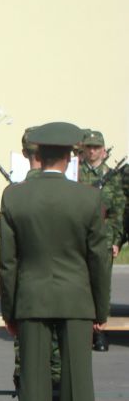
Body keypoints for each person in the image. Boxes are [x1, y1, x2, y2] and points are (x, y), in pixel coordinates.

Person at [0, 122, 111, 401]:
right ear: (69, 156)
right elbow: (99, 258)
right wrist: (101, 308)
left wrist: (9, 309)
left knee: (34, 382)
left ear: (37, 154)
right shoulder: (88, 197)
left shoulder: (14, 196)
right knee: (79, 382)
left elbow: (7, 261)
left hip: (31, 300)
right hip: (77, 300)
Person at [76, 129, 124, 352]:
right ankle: (82, 331)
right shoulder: (74, 175)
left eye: (97, 147)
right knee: (79, 285)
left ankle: (100, 331)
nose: (93, 151)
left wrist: (116, 240)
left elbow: (118, 212)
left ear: (104, 151)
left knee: (102, 286)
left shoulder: (112, 176)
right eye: (89, 147)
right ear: (83, 150)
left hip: (103, 239)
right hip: (78, 239)